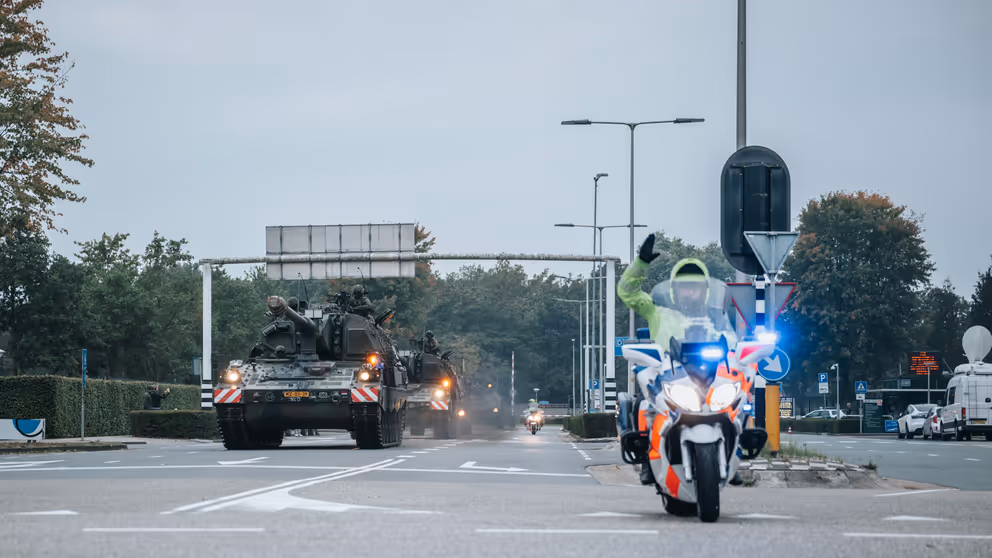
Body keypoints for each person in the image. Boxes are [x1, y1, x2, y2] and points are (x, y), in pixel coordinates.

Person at [617, 233, 734, 485]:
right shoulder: (657, 312)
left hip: (709, 375)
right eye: (684, 287)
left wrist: (739, 354)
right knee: (644, 407)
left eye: (695, 286)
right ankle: (648, 461)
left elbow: (730, 342)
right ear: (674, 290)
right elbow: (627, 293)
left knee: (739, 402)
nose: (690, 292)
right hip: (667, 376)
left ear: (705, 289)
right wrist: (640, 264)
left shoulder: (716, 317)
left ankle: (736, 454)